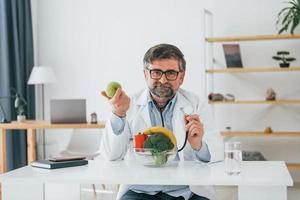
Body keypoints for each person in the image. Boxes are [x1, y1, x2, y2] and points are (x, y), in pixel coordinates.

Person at [100, 44, 224, 200]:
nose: (163, 79)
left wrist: (199, 145)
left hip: (188, 191)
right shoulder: (127, 104)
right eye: (156, 72)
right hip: (140, 190)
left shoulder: (196, 104)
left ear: (181, 77)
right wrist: (118, 114)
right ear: (146, 74)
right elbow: (111, 156)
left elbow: (218, 151)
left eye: (171, 73)